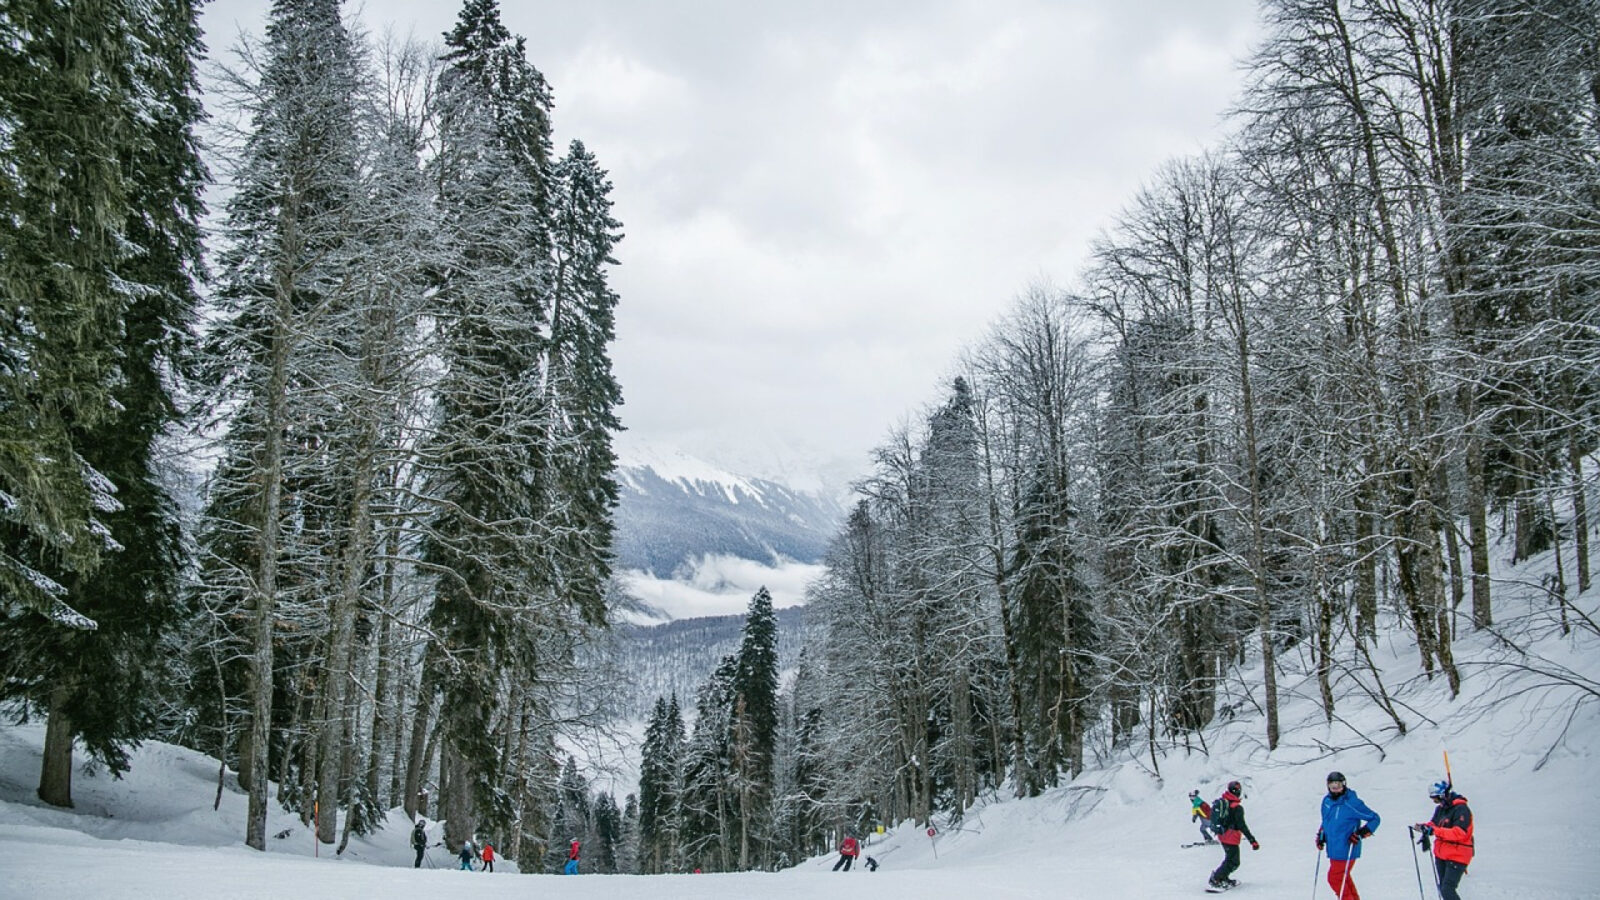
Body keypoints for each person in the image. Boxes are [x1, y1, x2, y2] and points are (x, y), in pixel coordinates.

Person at [1315, 771, 1380, 900]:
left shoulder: (1351, 802)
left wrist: (1361, 833)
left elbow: (1375, 818)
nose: (1335, 789)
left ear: (1344, 784)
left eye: (1338, 785)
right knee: (1343, 877)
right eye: (1332, 786)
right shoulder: (1327, 801)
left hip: (1347, 846)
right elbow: (1326, 821)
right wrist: (1322, 835)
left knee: (1335, 878)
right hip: (1333, 846)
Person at [1416, 780, 1472, 900]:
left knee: (1447, 889)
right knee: (1443, 888)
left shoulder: (1461, 809)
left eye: (1435, 798)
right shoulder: (1441, 808)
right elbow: (1434, 823)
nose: (1434, 801)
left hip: (1458, 855)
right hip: (1442, 854)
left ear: (1443, 795)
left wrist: (1435, 831)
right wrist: (1424, 827)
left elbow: (1459, 833)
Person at [1207, 780, 1259, 890]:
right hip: (1231, 837)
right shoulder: (1237, 808)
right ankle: (1216, 879)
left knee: (1230, 859)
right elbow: (1242, 825)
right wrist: (1252, 840)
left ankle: (1222, 877)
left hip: (1223, 835)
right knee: (1234, 861)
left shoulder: (1225, 802)